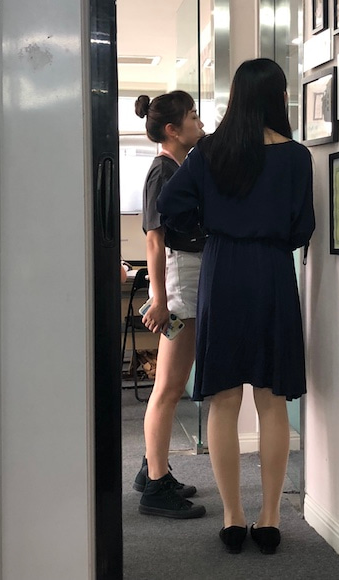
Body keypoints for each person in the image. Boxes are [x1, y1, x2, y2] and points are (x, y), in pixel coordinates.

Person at [157, 59, 315, 553]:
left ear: (236, 98)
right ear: (279, 97)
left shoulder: (209, 151)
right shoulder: (296, 156)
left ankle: (232, 516)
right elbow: (302, 227)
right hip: (272, 273)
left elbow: (169, 205)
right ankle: (270, 518)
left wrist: (211, 227)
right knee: (272, 400)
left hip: (222, 270)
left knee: (223, 401)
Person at [132, 90, 206, 520]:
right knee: (169, 387)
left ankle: (152, 470)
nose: (199, 122)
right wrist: (160, 300)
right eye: (193, 116)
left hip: (184, 278)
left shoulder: (178, 167)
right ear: (173, 129)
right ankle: (156, 487)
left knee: (172, 385)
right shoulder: (163, 171)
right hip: (179, 282)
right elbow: (154, 242)